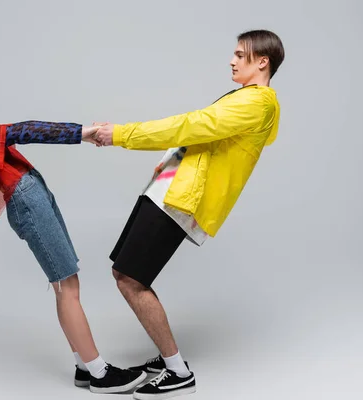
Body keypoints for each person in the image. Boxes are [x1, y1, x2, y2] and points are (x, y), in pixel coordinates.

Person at [0, 59, 146, 394]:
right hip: (26, 198)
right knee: (65, 286)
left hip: (31, 191)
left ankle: (84, 367)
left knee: (67, 282)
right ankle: (100, 373)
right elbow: (21, 130)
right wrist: (82, 133)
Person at [92, 29, 285, 399]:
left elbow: (192, 125)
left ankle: (178, 371)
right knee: (123, 272)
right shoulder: (243, 98)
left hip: (179, 199)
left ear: (262, 61)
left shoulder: (257, 103)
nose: (231, 60)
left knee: (131, 279)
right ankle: (168, 360)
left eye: (240, 54)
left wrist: (121, 134)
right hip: (165, 190)